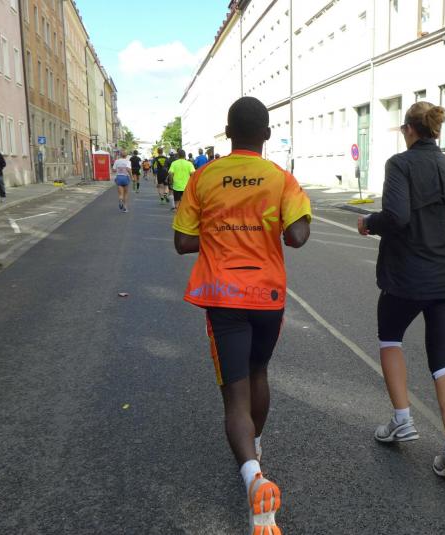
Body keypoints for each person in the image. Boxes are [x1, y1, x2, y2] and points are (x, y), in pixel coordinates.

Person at [173, 96, 311, 534]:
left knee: (235, 393)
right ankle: (257, 447)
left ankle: (252, 474)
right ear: (266, 134)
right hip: (267, 295)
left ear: (228, 133)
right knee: (259, 372)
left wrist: (220, 235)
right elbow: (298, 236)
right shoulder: (282, 179)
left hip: (223, 296)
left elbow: (182, 242)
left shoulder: (204, 176)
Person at [357, 102, 445, 479]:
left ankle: (402, 420)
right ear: (436, 131)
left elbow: (397, 216)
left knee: (390, 339)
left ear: (409, 130)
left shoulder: (400, 164)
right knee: (444, 362)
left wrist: (369, 221)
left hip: (406, 277)